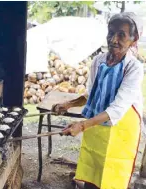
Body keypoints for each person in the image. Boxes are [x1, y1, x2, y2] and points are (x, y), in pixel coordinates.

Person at [52, 12, 144, 189]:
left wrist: (82, 125)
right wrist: (68, 104)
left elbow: (117, 109)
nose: (114, 39)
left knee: (112, 178)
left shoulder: (134, 68)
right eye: (111, 33)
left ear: (133, 39)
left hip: (121, 128)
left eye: (121, 35)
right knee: (92, 173)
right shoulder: (98, 61)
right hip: (96, 125)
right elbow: (92, 93)